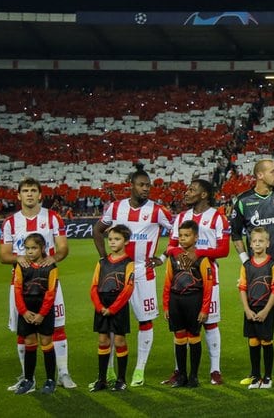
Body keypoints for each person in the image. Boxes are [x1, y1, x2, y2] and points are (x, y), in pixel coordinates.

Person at [92, 167, 173, 387]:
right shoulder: (116, 208)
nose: (146, 189)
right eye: (142, 185)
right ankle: (108, 371)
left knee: (145, 320)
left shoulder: (157, 211)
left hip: (142, 271)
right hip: (117, 272)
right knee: (108, 322)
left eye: (148, 185)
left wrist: (163, 257)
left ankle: (139, 370)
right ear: (131, 185)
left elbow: (179, 234)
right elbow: (97, 230)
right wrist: (104, 260)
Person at [229, 159, 274, 384]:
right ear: (259, 175)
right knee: (255, 321)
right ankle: (254, 372)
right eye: (273, 171)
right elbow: (235, 235)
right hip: (257, 272)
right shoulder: (243, 201)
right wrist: (245, 263)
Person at [0, 177, 75, 391]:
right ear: (19, 195)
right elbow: (4, 255)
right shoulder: (10, 222)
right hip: (21, 285)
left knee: (57, 327)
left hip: (48, 284)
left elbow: (62, 248)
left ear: (40, 194)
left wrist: (55, 258)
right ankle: (27, 377)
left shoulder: (53, 218)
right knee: (23, 331)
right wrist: (18, 258)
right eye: (25, 190)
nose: (30, 194)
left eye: (34, 190)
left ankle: (63, 374)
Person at [163, 179, 230, 385]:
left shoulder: (218, 218)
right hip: (181, 280)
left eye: (192, 189)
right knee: (180, 328)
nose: (187, 192)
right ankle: (179, 370)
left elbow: (224, 250)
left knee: (210, 323)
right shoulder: (182, 217)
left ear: (204, 195)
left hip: (208, 278)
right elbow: (171, 246)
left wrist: (199, 253)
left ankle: (214, 370)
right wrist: (170, 255)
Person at [162, 220, 214, 389]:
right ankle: (182, 375)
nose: (183, 239)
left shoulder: (203, 259)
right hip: (176, 302)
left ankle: (194, 376)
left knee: (193, 336)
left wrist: (205, 309)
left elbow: (208, 286)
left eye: (187, 235)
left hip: (194, 300)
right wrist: (165, 305)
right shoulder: (173, 257)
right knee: (179, 337)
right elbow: (167, 282)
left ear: (196, 237)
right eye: (181, 235)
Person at [11, 233, 61, 395]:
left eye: (34, 248)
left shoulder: (51, 267)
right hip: (26, 308)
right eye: (27, 248)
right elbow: (17, 290)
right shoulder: (21, 266)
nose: (30, 252)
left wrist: (41, 314)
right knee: (29, 341)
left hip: (43, 309)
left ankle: (50, 380)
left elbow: (51, 293)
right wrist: (24, 311)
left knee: (46, 341)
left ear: (42, 248)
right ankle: (28, 380)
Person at [89, 224, 136, 392]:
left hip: (118, 305)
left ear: (126, 241)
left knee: (119, 340)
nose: (112, 242)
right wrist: (100, 306)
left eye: (117, 239)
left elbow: (128, 289)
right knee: (103, 340)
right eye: (110, 239)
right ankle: (101, 379)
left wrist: (113, 308)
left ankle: (121, 379)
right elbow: (94, 286)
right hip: (102, 304)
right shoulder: (102, 262)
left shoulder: (129, 263)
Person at [238, 227, 274, 389]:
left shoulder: (273, 264)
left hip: (265, 309)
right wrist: (247, 310)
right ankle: (255, 376)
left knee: (266, 340)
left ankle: (268, 377)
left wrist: (266, 310)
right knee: (253, 340)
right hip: (250, 309)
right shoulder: (246, 265)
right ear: (250, 244)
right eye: (254, 241)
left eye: (261, 241)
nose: (257, 244)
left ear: (267, 243)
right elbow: (242, 288)